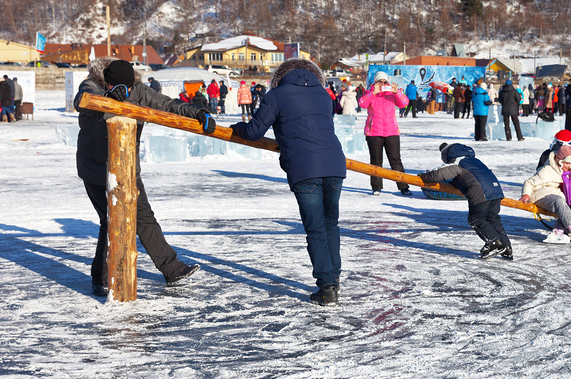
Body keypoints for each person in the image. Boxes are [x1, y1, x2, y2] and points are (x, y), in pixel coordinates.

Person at [74, 59, 211, 296]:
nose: (126, 91)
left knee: (144, 217)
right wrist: (111, 98)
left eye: (128, 86)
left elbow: (167, 105)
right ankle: (102, 278)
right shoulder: (91, 86)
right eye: (120, 86)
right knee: (110, 221)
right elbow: (83, 102)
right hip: (96, 169)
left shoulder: (138, 90)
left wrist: (197, 111)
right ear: (107, 80)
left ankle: (172, 269)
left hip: (127, 169)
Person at [230, 59, 346, 306]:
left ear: (280, 77)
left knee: (315, 229)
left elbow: (253, 132)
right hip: (335, 164)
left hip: (305, 169)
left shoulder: (276, 95)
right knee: (330, 225)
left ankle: (327, 288)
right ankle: (334, 280)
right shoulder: (324, 95)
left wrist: (236, 128)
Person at [419, 143, 512, 259]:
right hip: (496, 192)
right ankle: (506, 248)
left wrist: (423, 176)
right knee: (493, 220)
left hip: (480, 193)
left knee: (477, 219)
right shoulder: (475, 162)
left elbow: (438, 174)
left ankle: (494, 242)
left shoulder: (458, 163)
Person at [519, 145, 571, 243]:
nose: (570, 166)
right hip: (540, 196)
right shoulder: (547, 170)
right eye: (568, 163)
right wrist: (525, 195)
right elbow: (529, 182)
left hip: (553, 195)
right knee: (559, 201)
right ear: (560, 161)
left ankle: (558, 231)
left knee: (567, 206)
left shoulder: (563, 171)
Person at [359, 71, 412, 196]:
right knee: (376, 161)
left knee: (396, 160)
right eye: (380, 81)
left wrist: (397, 92)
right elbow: (362, 104)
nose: (382, 84)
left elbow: (404, 103)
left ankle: (403, 186)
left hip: (391, 132)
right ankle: (376, 187)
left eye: (385, 82)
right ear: (375, 82)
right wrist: (373, 93)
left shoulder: (392, 94)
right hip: (373, 133)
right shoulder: (370, 93)